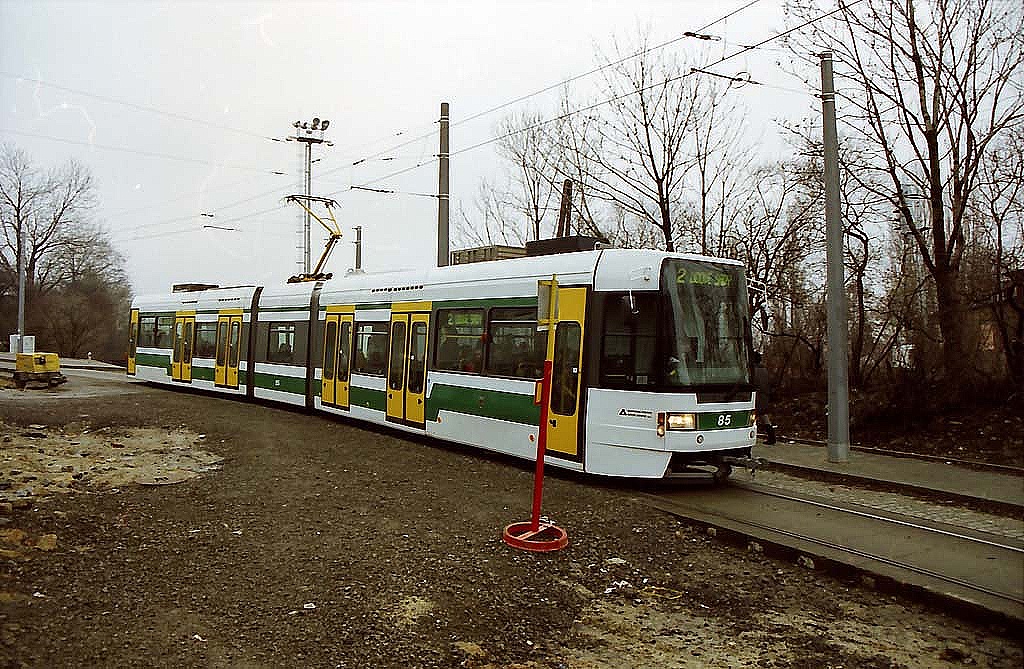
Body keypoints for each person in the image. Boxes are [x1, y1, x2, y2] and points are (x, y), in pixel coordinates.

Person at [752, 351, 777, 445]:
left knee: (753, 417)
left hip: (756, 397)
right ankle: (771, 436)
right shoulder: (764, 370)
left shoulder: (753, 371)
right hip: (764, 397)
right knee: (764, 417)